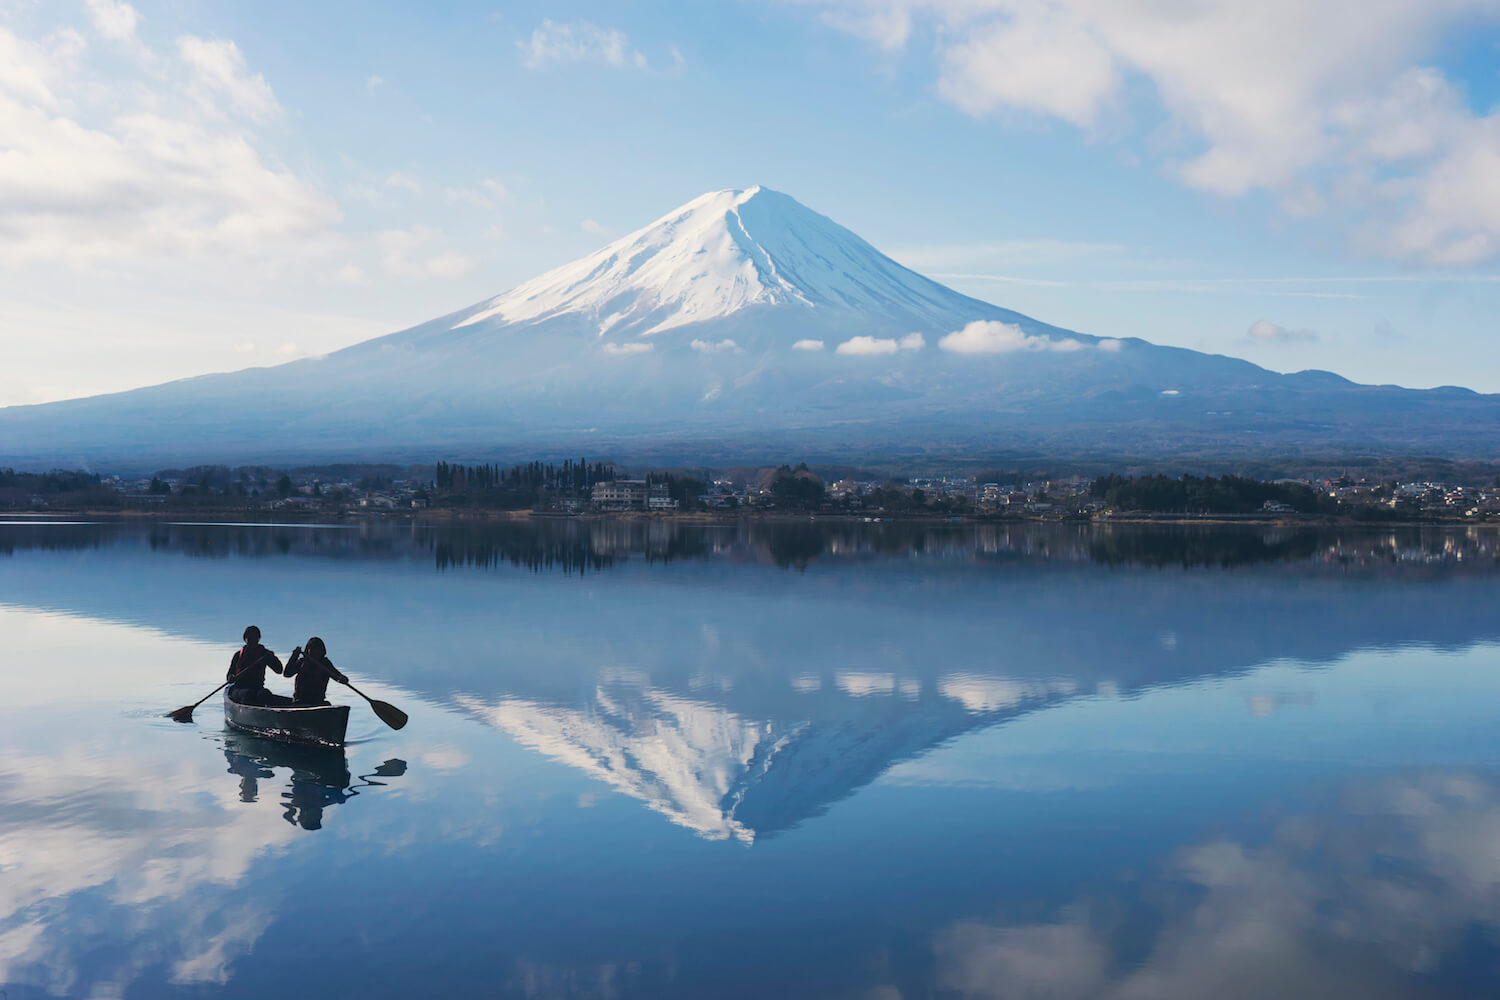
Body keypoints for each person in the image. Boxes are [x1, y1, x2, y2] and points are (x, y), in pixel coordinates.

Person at [227, 625, 284, 705]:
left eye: (254, 637)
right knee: (248, 694)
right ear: (245, 639)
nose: (252, 640)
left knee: (266, 694)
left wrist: (272, 658)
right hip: (239, 688)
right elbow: (229, 676)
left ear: (258, 638)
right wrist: (231, 677)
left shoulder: (264, 654)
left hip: (257, 688)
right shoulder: (238, 655)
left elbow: (279, 670)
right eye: (249, 638)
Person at [283, 637, 348, 706]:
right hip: (300, 701)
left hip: (318, 701)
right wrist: (294, 656)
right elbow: (287, 673)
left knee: (327, 704)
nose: (315, 652)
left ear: (322, 651)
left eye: (318, 649)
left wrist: (343, 678)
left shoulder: (325, 664)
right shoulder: (302, 662)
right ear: (308, 650)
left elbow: (337, 675)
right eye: (313, 649)